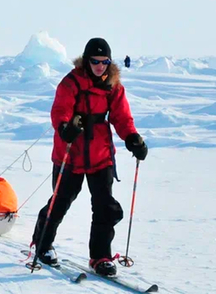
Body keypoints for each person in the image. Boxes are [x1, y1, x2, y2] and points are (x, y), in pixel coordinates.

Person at [31, 37, 148, 278]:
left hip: (100, 153)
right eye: (95, 61)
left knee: (105, 206)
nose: (99, 66)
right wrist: (65, 127)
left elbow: (122, 117)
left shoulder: (113, 86)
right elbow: (60, 111)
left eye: (104, 61)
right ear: (87, 61)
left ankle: (101, 256)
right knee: (60, 201)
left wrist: (132, 138)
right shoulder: (71, 82)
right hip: (70, 151)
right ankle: (42, 245)